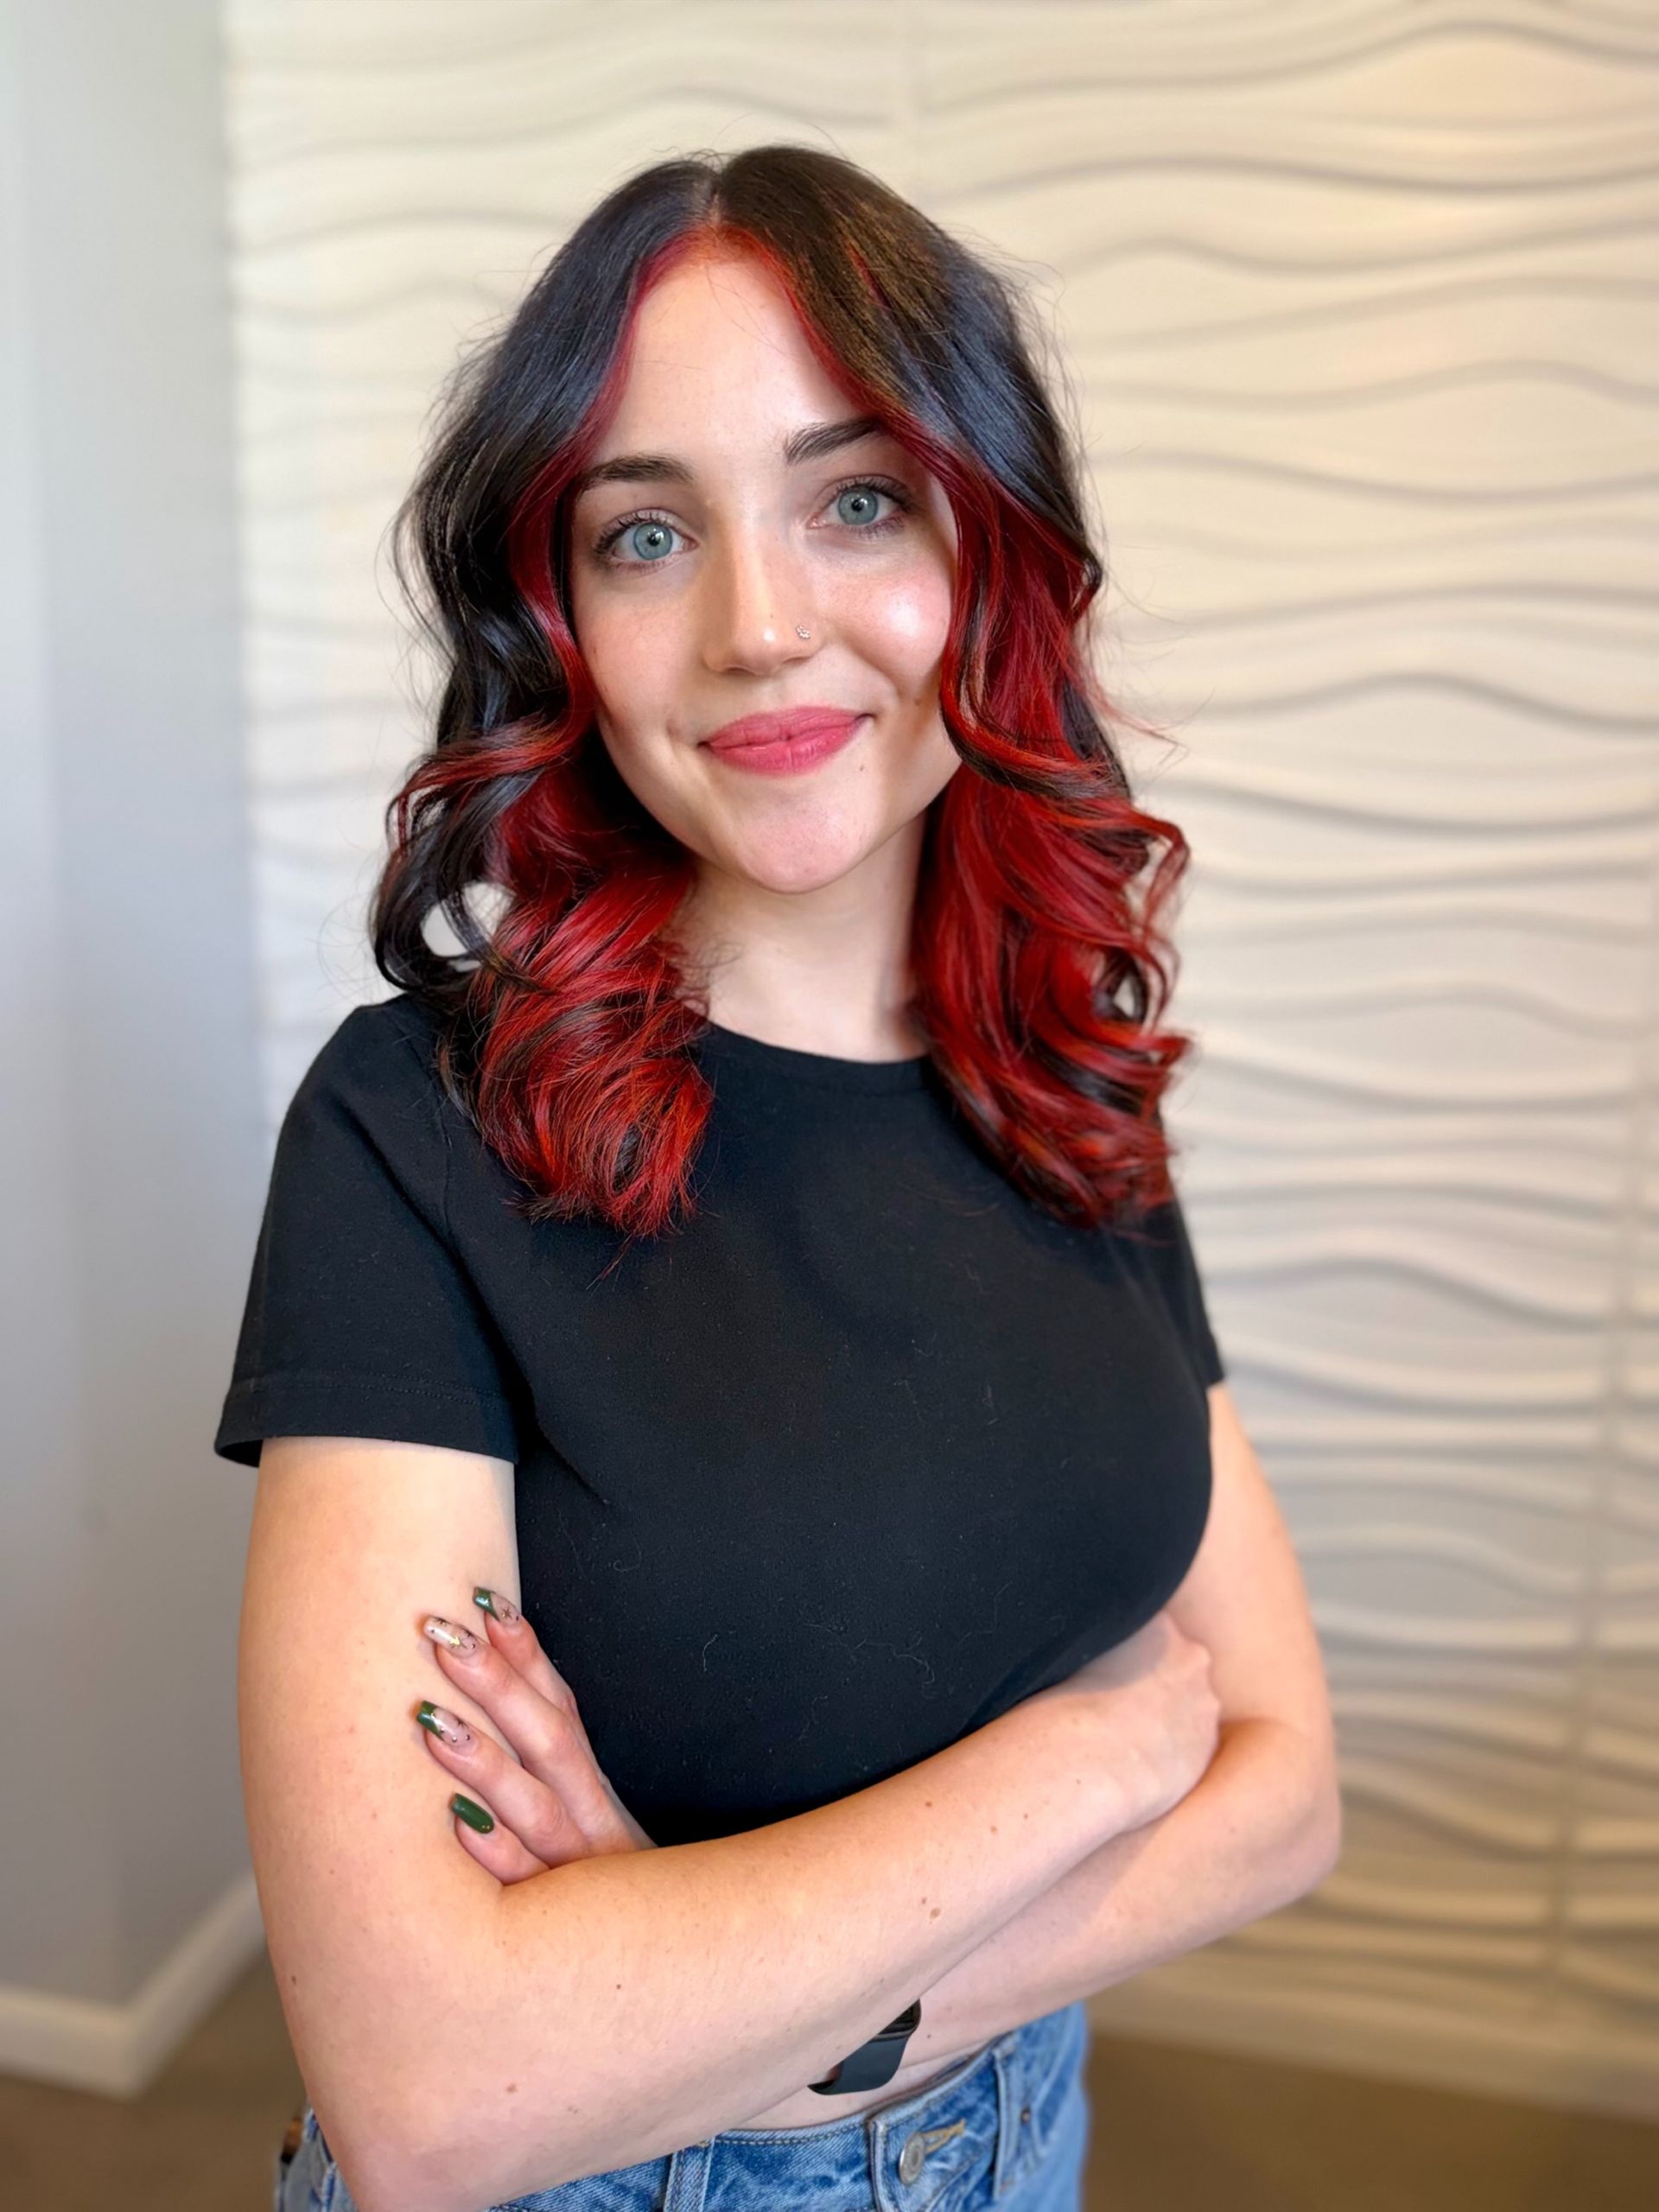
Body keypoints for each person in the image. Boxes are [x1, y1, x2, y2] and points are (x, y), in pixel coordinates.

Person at [215, 144, 1339, 2212]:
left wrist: (760, 1988)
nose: (756, 626)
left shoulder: (1069, 1084)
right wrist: (1088, 1756)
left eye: (855, 498)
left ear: (987, 550)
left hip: (1016, 2143)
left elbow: (1287, 1787)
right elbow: (438, 2093)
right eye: (647, 531)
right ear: (561, 622)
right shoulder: (416, 1133)